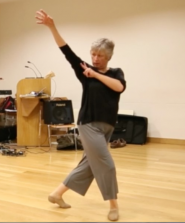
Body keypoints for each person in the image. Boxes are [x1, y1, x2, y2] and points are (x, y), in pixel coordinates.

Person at [35, 9, 126, 221]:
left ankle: (56, 194)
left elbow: (119, 88)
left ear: (108, 56)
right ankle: (113, 205)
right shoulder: (83, 70)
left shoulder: (115, 73)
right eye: (93, 54)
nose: (94, 58)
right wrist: (51, 27)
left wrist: (94, 74)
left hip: (107, 127)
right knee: (106, 164)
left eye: (99, 55)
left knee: (88, 165)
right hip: (89, 125)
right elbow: (66, 51)